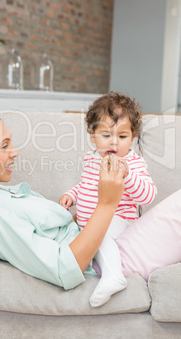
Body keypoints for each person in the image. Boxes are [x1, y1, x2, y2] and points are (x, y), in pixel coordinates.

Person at [0, 105, 125, 292]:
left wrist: (83, 214)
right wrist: (107, 204)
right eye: (4, 146)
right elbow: (64, 269)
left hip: (109, 244)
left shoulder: (2, 192)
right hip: (107, 260)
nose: (14, 152)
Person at [59, 92, 157, 307]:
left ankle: (114, 276)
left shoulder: (133, 163)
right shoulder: (92, 158)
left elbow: (148, 195)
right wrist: (72, 194)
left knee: (101, 230)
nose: (114, 142)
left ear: (133, 137)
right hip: (88, 227)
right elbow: (86, 184)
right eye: (106, 135)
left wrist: (128, 176)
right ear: (92, 136)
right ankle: (100, 266)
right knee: (80, 239)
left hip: (119, 223)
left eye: (122, 137)